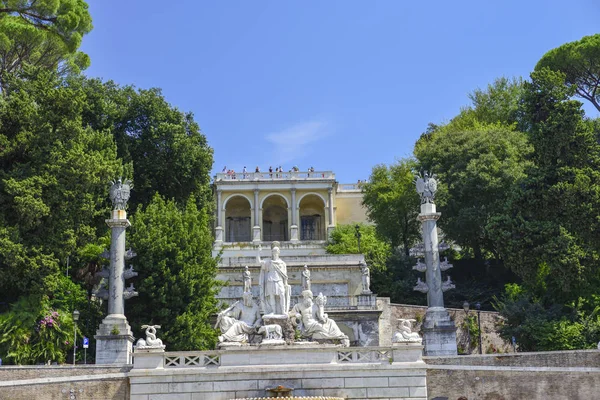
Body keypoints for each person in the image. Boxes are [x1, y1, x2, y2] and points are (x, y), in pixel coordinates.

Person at [257, 242, 290, 315]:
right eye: (273, 252)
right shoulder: (268, 262)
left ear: (278, 253)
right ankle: (273, 311)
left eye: (276, 252)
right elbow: (259, 262)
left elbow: (285, 275)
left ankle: (283, 311)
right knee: (272, 296)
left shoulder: (282, 263)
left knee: (282, 294)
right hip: (270, 279)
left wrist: (286, 283)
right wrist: (258, 253)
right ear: (272, 253)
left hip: (279, 280)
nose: (274, 253)